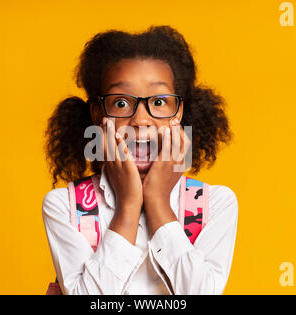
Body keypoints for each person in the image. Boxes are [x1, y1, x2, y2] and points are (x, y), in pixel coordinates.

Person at [42, 25, 238, 295]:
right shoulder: (65, 207)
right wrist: (128, 206)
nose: (141, 119)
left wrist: (158, 200)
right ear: (99, 113)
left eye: (159, 102)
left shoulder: (215, 204)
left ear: (177, 112)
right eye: (121, 103)